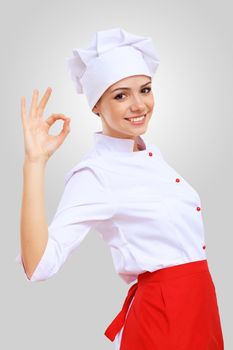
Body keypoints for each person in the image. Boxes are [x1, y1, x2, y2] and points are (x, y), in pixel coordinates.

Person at [15, 27, 224, 349]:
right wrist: (34, 163)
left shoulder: (150, 155)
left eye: (145, 89)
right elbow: (39, 265)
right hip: (163, 318)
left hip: (200, 308)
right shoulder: (96, 174)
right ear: (96, 106)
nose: (139, 105)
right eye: (120, 95)